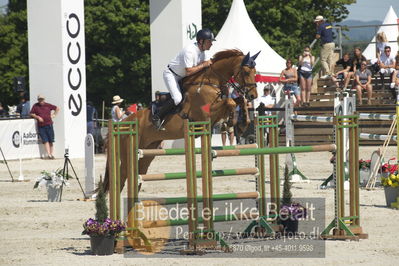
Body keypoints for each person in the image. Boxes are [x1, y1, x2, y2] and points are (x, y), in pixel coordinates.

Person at [152, 28, 215, 129]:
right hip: (171, 75)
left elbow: (202, 69)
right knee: (177, 99)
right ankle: (157, 116)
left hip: (183, 77)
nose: (211, 44)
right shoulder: (190, 50)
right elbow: (189, 71)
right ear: (201, 41)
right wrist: (203, 65)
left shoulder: (203, 53)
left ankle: (166, 98)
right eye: (209, 41)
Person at [30, 94, 60, 159]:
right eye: (39, 99)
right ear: (38, 100)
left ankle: (51, 154)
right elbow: (31, 113)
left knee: (51, 140)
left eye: (42, 99)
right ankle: (49, 154)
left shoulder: (48, 105)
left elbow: (57, 108)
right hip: (41, 126)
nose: (41, 101)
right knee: (45, 140)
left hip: (49, 124)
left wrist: (54, 115)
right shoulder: (35, 106)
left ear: (44, 99)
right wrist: (38, 117)